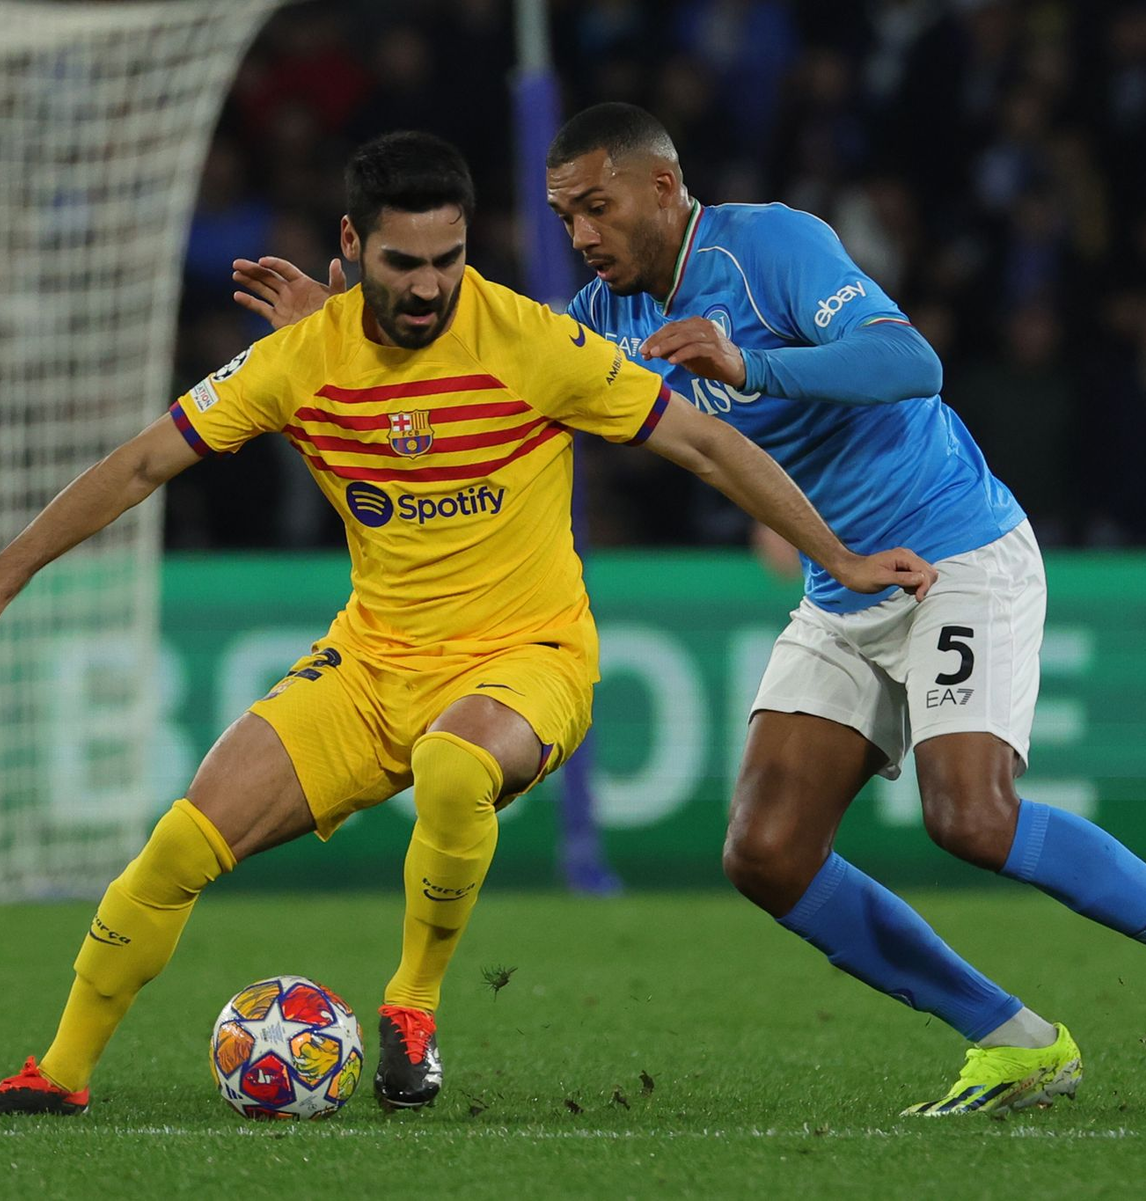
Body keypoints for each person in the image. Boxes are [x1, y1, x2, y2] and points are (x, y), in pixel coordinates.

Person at [0, 131, 934, 1118]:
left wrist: (838, 558)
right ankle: (60, 1072)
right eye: (403, 265)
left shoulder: (533, 345)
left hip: (527, 657)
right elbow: (138, 466)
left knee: (453, 765)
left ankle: (410, 1013)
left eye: (447, 262)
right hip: (372, 664)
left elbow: (707, 444)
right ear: (352, 241)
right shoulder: (297, 361)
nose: (428, 289)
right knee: (175, 850)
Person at [229, 105, 1146, 1119]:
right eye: (564, 214)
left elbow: (910, 363)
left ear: (662, 189)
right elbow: (476, 381)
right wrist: (335, 330)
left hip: (952, 554)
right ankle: (1014, 1041)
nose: (581, 234)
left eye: (596, 207)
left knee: (970, 815)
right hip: (843, 590)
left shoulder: (770, 247)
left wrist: (756, 364)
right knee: (767, 853)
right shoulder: (602, 318)